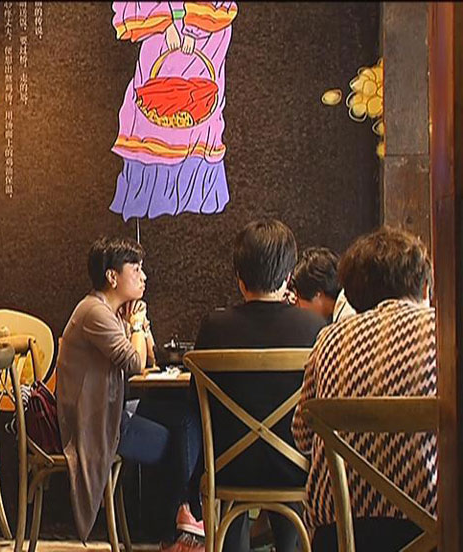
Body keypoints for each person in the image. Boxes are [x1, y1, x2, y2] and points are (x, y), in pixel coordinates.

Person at [292, 227, 437, 551]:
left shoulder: (328, 340)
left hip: (339, 534)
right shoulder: (441, 332)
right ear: (425, 287)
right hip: (430, 530)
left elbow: (302, 436)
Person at [57, 237, 202, 551]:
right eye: (135, 269)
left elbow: (148, 357)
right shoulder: (94, 312)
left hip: (114, 410)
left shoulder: (110, 312)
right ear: (112, 276)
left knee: (188, 420)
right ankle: (177, 526)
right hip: (96, 424)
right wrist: (135, 325)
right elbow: (135, 364)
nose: (143, 276)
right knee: (174, 440)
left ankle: (183, 517)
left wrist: (140, 325)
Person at [191, 219, 327, 552]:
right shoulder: (314, 327)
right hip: (296, 469)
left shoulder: (214, 327)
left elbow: (196, 405)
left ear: (239, 277)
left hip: (228, 468)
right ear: (288, 276)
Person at [110, 1, 238, 220]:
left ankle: (197, 201)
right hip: (160, 33)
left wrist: (193, 29)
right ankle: (149, 199)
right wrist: (165, 24)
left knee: (199, 107)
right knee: (155, 103)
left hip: (207, 34)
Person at [290, 247, 356, 323]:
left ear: (317, 294)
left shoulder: (348, 319)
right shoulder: (349, 302)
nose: (298, 307)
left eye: (298, 299)